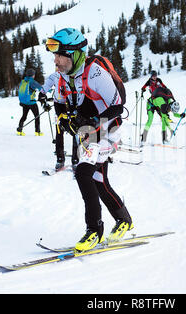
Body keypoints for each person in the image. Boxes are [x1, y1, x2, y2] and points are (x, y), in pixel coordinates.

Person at [39, 28, 132, 252]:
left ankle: (94, 230)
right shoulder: (63, 76)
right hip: (90, 131)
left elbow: (118, 106)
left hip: (108, 129)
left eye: (60, 55)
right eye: (55, 55)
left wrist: (91, 120)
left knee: (83, 172)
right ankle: (124, 219)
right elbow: (60, 102)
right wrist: (64, 119)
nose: (56, 60)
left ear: (75, 54)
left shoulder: (95, 73)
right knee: (98, 180)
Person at [17, 68, 44, 136]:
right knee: (37, 116)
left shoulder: (23, 81)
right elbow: (41, 88)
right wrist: (50, 90)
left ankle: (19, 130)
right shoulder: (32, 82)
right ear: (33, 75)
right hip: (31, 103)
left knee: (24, 116)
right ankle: (37, 132)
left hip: (25, 102)